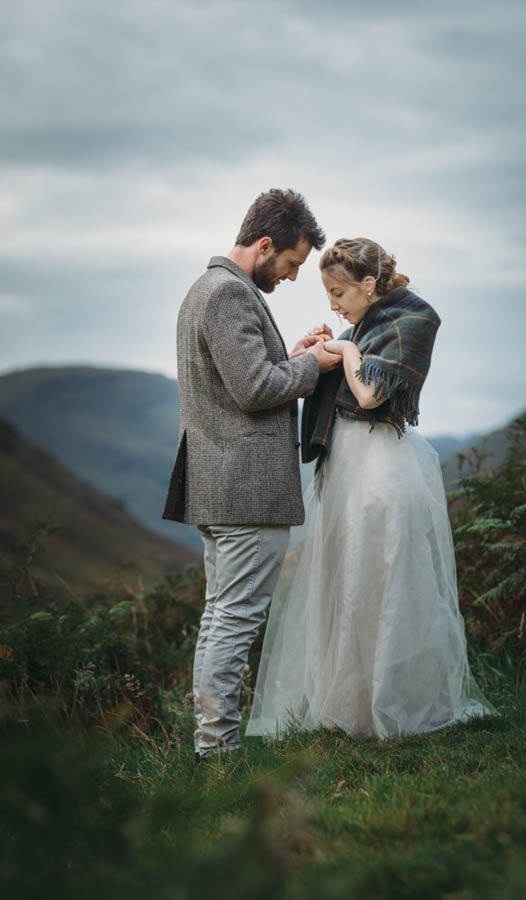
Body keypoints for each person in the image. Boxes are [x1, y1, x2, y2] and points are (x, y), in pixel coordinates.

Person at [247, 238, 495, 740]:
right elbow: (342, 378)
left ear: (369, 284)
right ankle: (351, 704)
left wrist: (344, 349)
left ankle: (393, 699)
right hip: (349, 466)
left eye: (339, 293)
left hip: (381, 466)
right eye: (328, 295)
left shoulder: (411, 321)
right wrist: (319, 351)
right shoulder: (361, 327)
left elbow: (371, 393)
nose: (333, 304)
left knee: (383, 578)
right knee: (347, 579)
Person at [162, 189, 341, 760]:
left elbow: (245, 377)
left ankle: (213, 746)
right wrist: (313, 364)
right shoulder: (228, 295)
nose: (291, 277)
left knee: (222, 617)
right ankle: (217, 750)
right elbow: (256, 389)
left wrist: (294, 356)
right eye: (290, 264)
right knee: (234, 622)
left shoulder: (207, 290)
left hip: (221, 486)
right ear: (265, 245)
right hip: (245, 489)